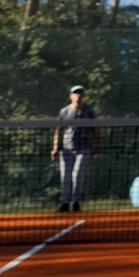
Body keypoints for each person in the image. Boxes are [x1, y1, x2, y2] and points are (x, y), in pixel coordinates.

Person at [50, 84, 97, 213]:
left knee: (78, 175)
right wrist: (55, 147)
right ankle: (65, 202)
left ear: (83, 95)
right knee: (65, 176)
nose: (78, 95)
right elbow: (58, 131)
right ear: (71, 96)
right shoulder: (64, 111)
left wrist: (97, 146)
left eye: (80, 92)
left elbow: (95, 129)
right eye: (76, 93)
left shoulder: (89, 111)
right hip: (66, 149)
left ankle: (76, 202)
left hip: (84, 148)